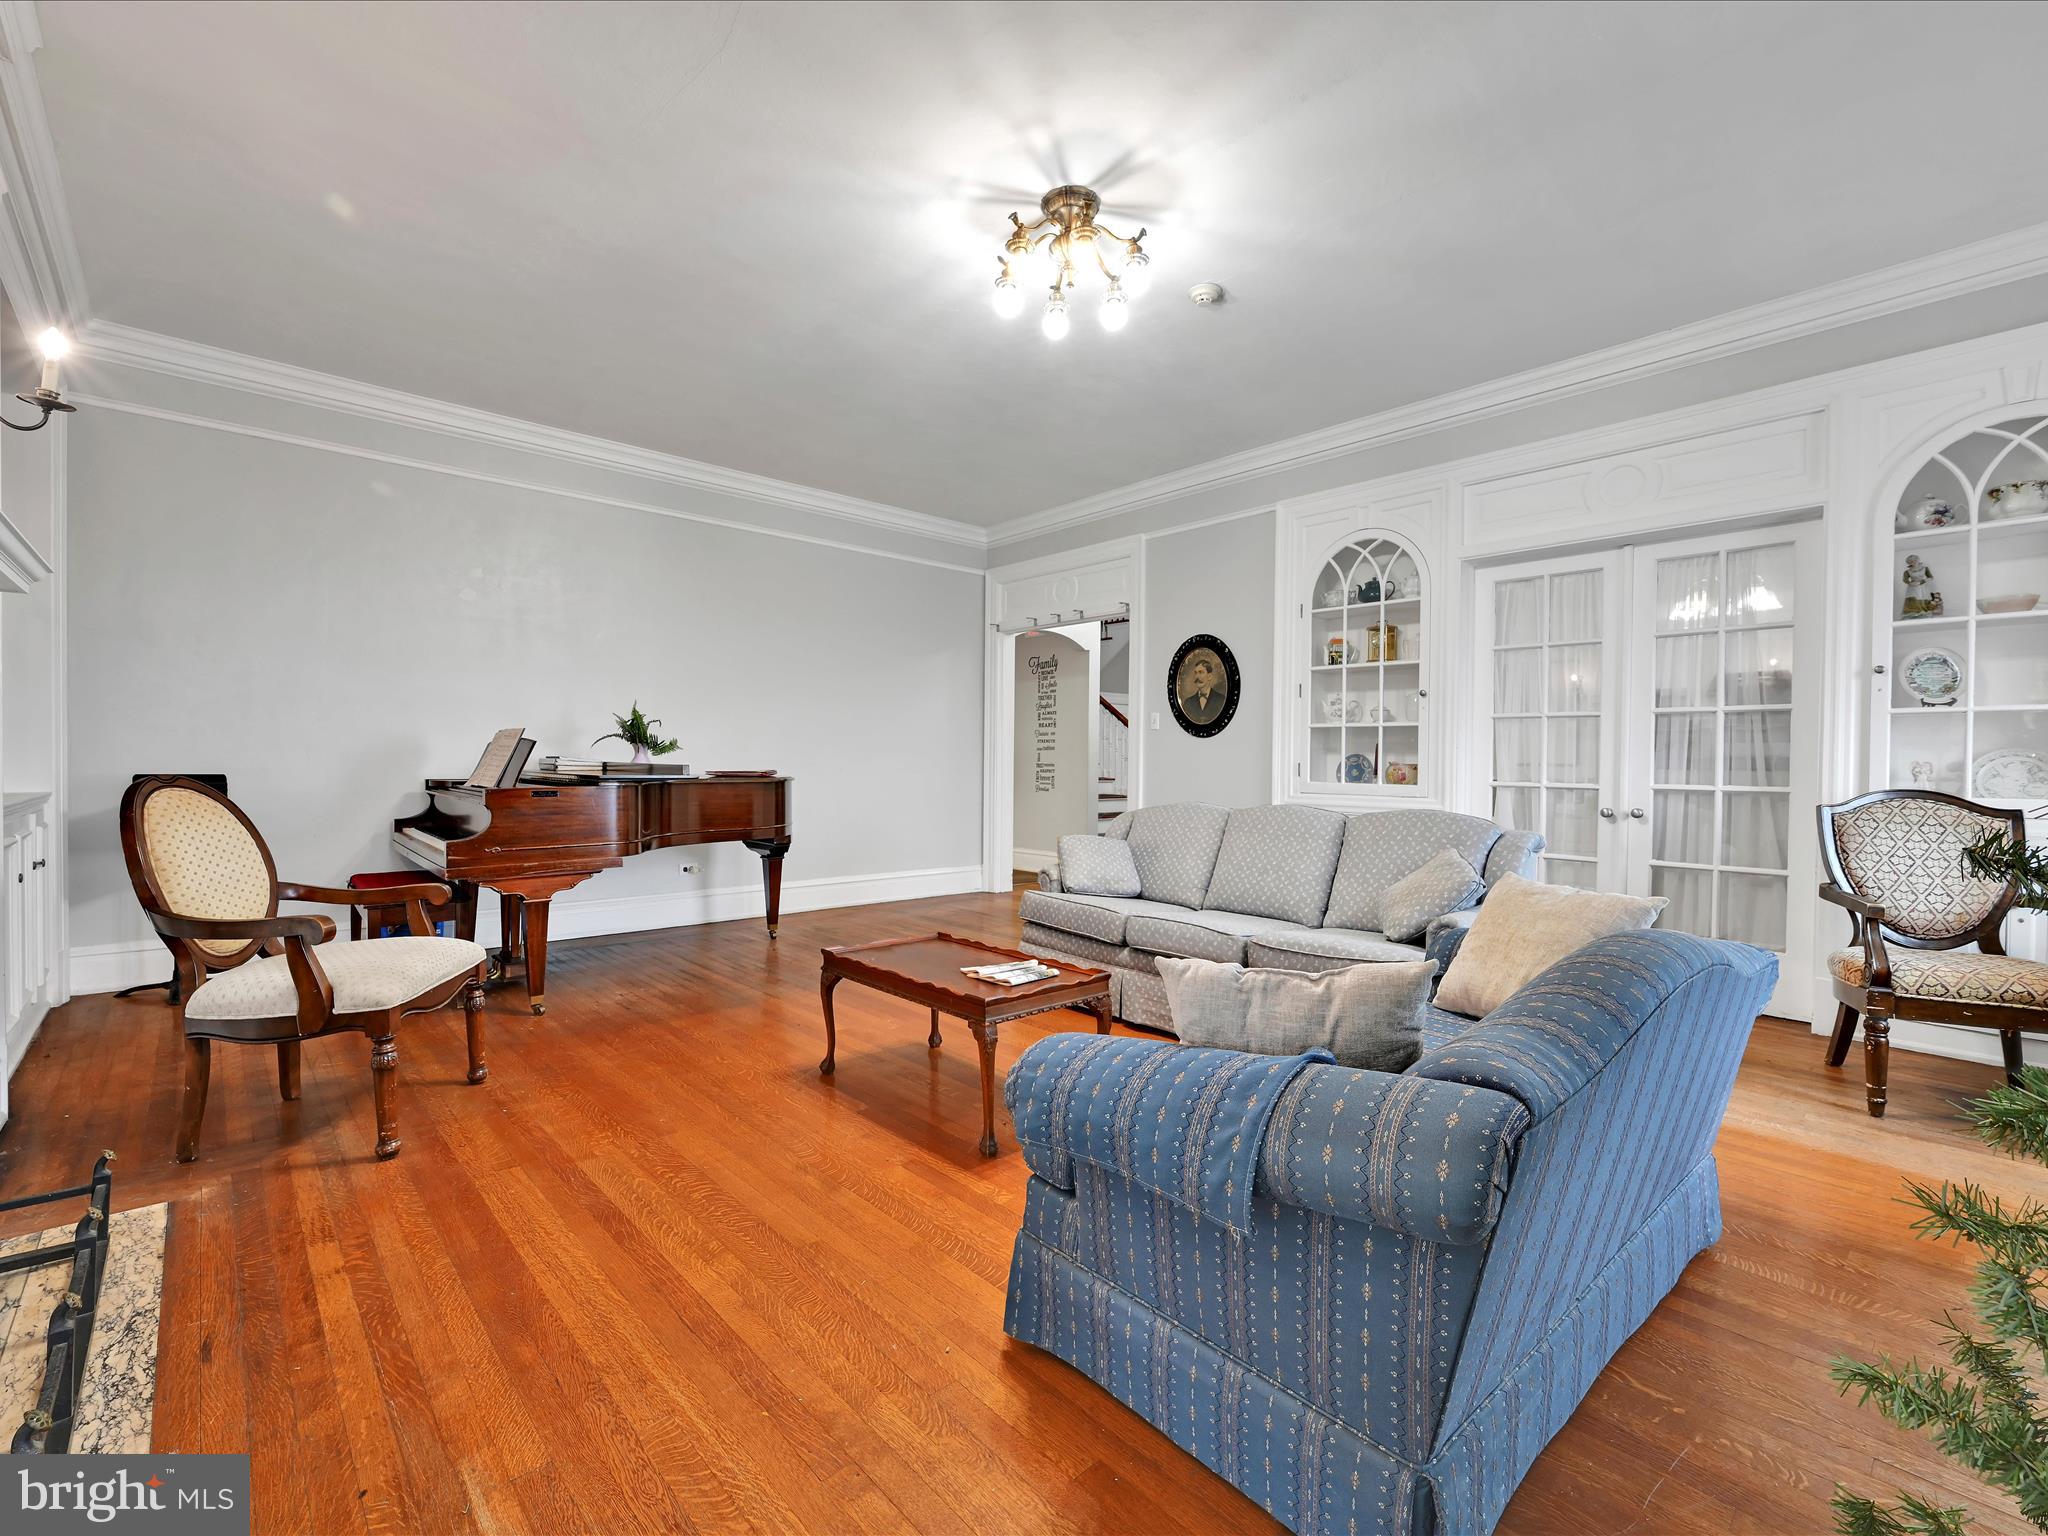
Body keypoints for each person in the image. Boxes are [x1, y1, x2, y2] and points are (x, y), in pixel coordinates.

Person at [1177, 653, 1225, 726]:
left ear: (1209, 676)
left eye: (1201, 672)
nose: (1197, 677)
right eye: (1195, 673)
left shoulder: (1221, 700)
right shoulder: (1188, 703)